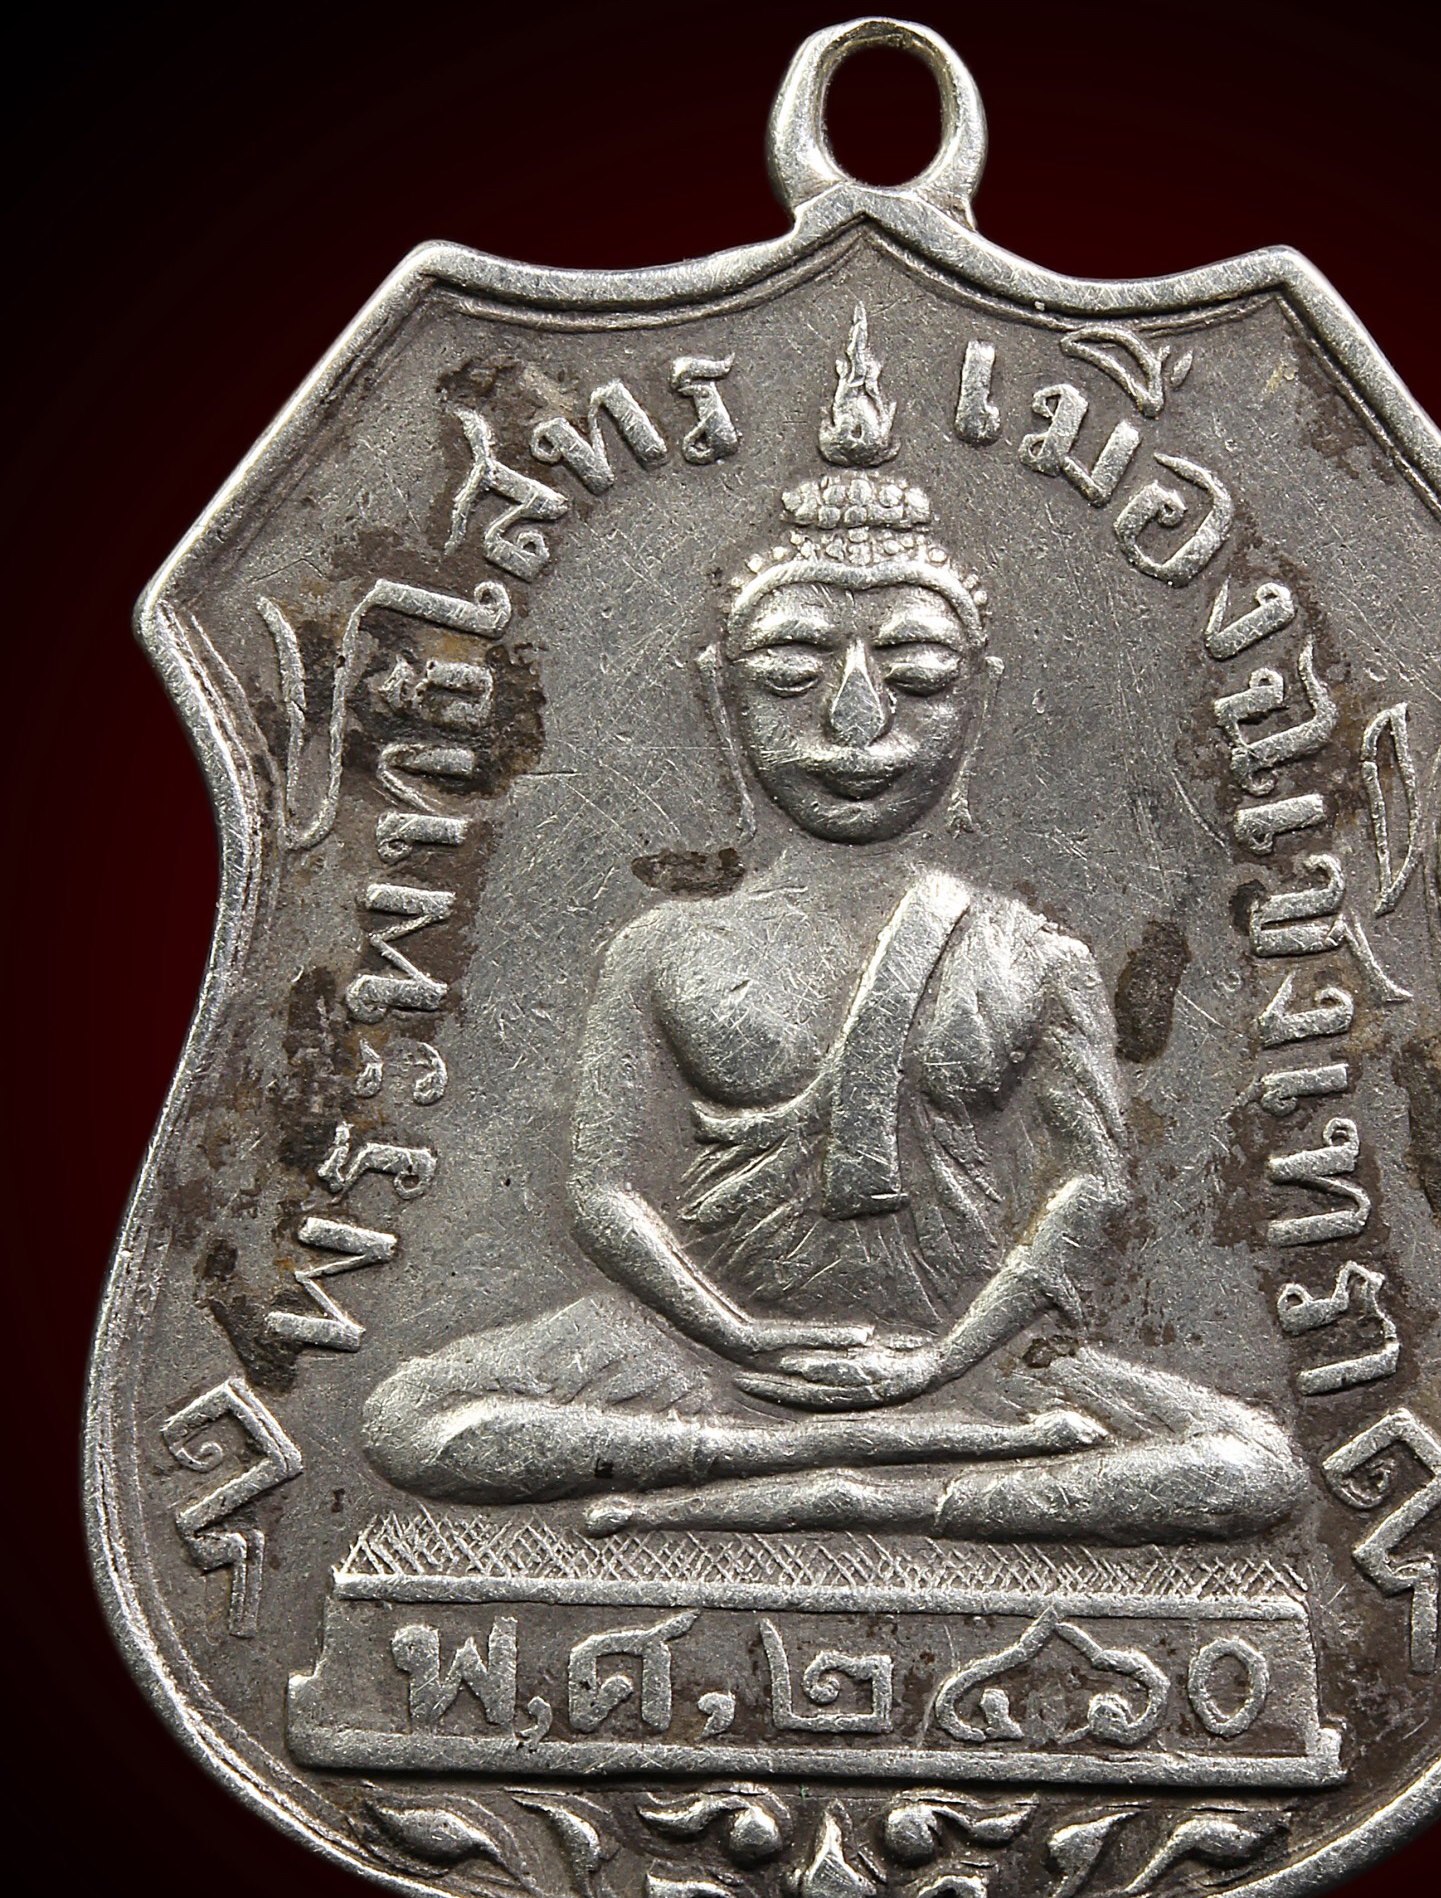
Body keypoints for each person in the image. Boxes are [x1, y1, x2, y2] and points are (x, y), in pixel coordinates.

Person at [363, 368, 1302, 1548]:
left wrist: (945, 1361)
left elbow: (1089, 1186)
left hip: (973, 1356)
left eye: (916, 678)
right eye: (789, 674)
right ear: (721, 699)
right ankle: (788, 1458)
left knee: (1252, 1466)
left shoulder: (1031, 955)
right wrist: (734, 1338)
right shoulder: (661, 946)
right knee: (408, 1419)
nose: (856, 721)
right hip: (697, 1354)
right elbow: (600, 1190)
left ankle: (878, 1491)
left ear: (977, 702)